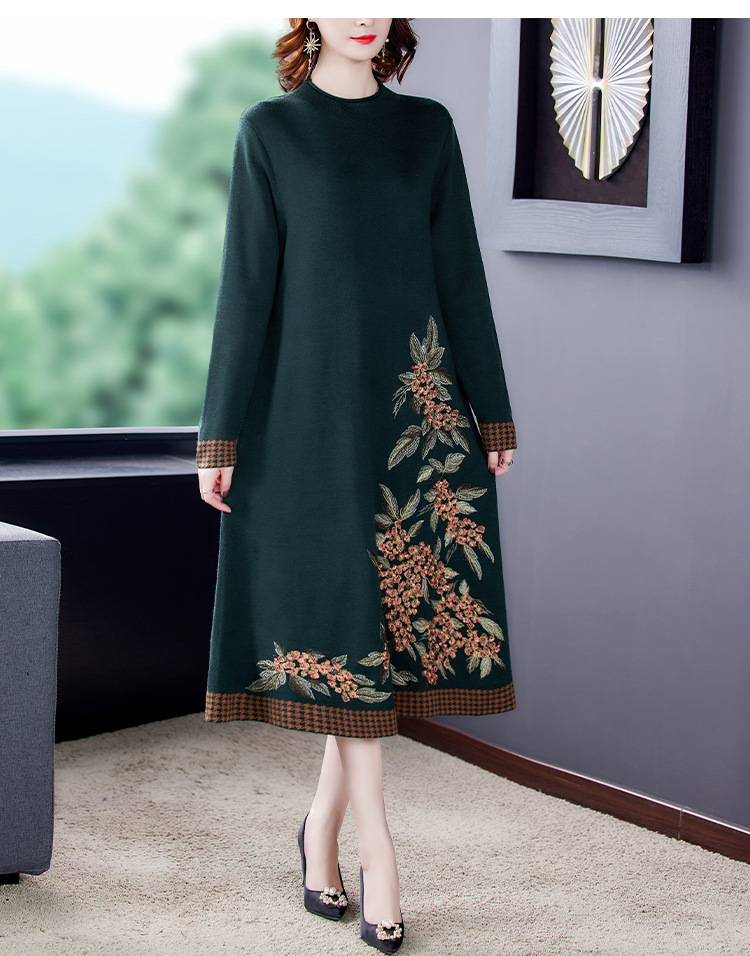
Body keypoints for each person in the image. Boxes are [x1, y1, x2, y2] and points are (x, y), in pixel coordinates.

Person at [196, 18, 517, 953]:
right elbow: (245, 288)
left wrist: (492, 411)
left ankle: (320, 833)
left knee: (377, 640)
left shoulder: (427, 129)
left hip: (417, 414)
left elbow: (462, 275)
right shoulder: (270, 132)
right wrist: (218, 434)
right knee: (346, 627)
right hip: (306, 417)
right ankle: (378, 848)